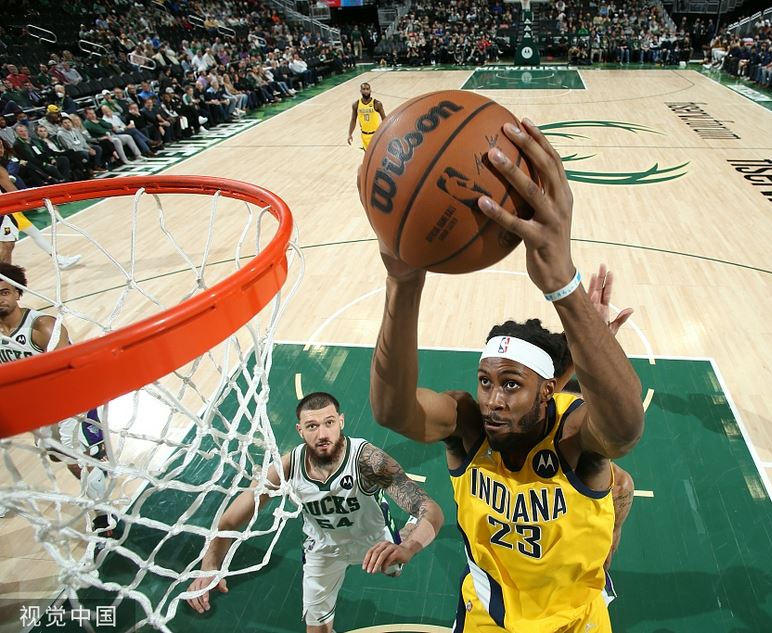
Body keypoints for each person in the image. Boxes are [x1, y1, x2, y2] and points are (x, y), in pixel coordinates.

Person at [369, 119, 645, 632]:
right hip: (486, 620)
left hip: (575, 623)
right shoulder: (469, 425)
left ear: (549, 390)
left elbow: (625, 430)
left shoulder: (573, 435)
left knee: (618, 486)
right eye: (486, 381)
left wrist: (564, 285)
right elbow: (392, 410)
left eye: (511, 385)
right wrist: (403, 282)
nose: (492, 399)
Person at [186, 391, 444, 633]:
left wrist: (408, 547)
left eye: (329, 423)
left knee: (394, 567)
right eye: (312, 426)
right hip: (323, 548)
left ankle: (406, 529)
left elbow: (430, 509)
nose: (322, 434)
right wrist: (209, 568)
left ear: (341, 421)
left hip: (374, 539)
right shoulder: (288, 466)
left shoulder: (367, 460)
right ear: (300, 430)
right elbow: (230, 520)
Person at [0, 263, 110, 535]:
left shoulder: (43, 327)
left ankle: (102, 516)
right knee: (60, 457)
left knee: (78, 459)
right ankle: (97, 462)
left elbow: (68, 375)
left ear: (17, 292)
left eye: (4, 292)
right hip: (38, 409)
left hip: (71, 401)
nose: (0, 299)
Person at [347, 82, 386, 150]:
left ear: (370, 90)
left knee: (376, 154)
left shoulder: (377, 103)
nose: (366, 91)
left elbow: (384, 119)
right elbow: (353, 120)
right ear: (360, 91)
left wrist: (387, 132)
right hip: (364, 135)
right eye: (364, 89)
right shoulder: (356, 104)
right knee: (367, 155)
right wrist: (350, 134)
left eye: (367, 89)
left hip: (376, 134)